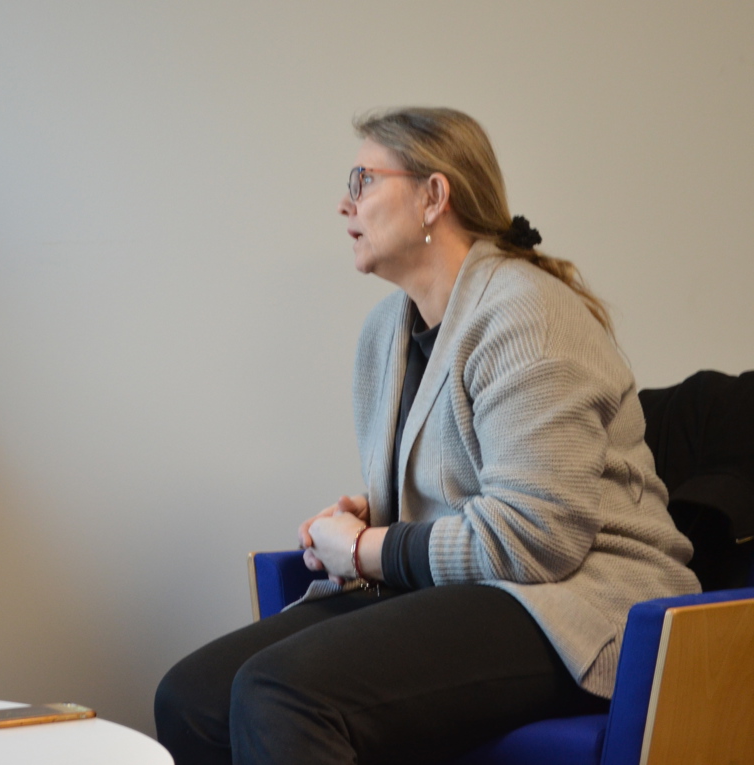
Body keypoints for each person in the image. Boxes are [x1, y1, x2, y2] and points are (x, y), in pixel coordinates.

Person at [154, 108, 699, 764]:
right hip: (472, 591)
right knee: (190, 698)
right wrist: (374, 514)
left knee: (282, 693)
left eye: (362, 180)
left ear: (433, 196)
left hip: (580, 606)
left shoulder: (527, 313)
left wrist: (363, 549)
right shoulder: (385, 332)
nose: (344, 204)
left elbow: (537, 536)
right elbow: (466, 479)